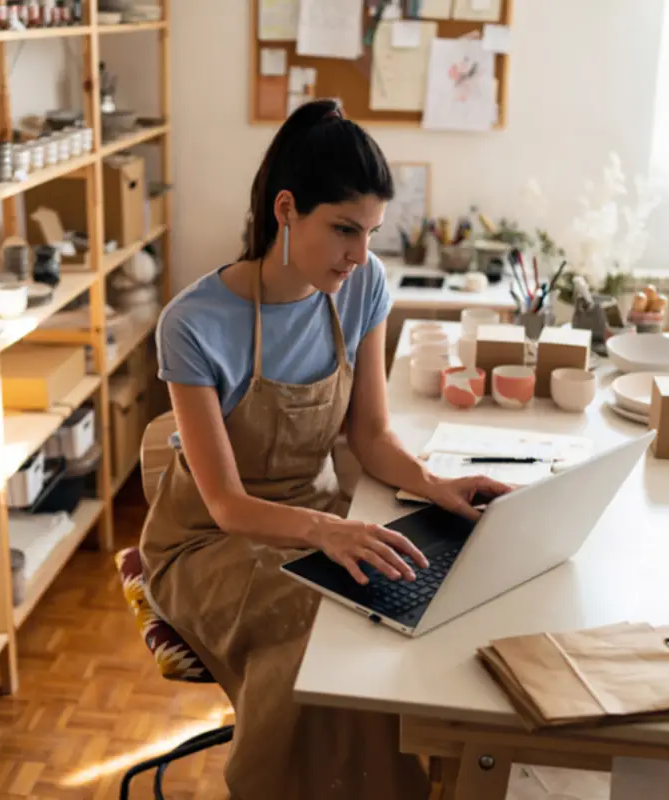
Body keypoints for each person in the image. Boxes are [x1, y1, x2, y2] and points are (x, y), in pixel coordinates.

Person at [138, 99, 513, 799]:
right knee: (322, 628)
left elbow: (369, 435)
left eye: (370, 232)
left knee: (404, 594)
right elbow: (224, 504)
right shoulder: (191, 324)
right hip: (208, 542)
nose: (359, 254)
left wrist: (436, 486)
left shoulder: (363, 285)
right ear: (286, 210)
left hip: (314, 514)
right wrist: (331, 530)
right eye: (344, 229)